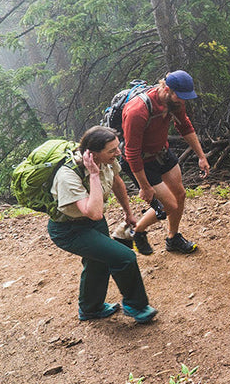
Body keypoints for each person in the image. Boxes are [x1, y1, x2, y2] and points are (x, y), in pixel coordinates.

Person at [47, 125, 157, 324]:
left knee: (98, 262)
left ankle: (90, 308)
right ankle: (136, 305)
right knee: (124, 257)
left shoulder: (107, 161)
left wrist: (128, 212)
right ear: (93, 154)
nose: (118, 152)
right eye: (112, 150)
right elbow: (94, 212)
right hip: (69, 230)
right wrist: (94, 174)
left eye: (117, 147)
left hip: (92, 224)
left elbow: (117, 182)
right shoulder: (68, 175)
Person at [112, 70, 211, 255]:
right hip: (139, 161)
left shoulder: (174, 103)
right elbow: (131, 152)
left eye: (185, 98)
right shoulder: (138, 110)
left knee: (180, 195)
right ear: (166, 88)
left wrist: (201, 156)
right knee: (169, 205)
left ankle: (173, 239)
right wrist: (145, 186)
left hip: (161, 152)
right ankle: (134, 231)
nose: (183, 102)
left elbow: (185, 126)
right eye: (179, 97)